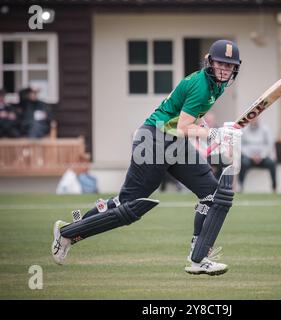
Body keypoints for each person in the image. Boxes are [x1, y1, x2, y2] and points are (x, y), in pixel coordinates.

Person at [51, 39, 243, 276]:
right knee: (129, 206)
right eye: (220, 64)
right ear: (210, 62)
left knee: (214, 195)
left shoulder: (218, 85)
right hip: (154, 138)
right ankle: (68, 232)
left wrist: (216, 132)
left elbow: (191, 115)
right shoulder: (201, 84)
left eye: (229, 65)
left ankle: (199, 256)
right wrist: (214, 133)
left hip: (173, 140)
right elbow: (183, 126)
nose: (224, 69)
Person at [238, 119, 277, 192]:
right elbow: (240, 145)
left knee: (272, 163)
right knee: (243, 163)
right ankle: (240, 185)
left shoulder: (265, 129)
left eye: (256, 119)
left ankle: (274, 187)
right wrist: (251, 155)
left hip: (262, 157)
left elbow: (269, 144)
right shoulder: (244, 130)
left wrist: (261, 155)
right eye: (252, 119)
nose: (254, 120)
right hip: (248, 157)